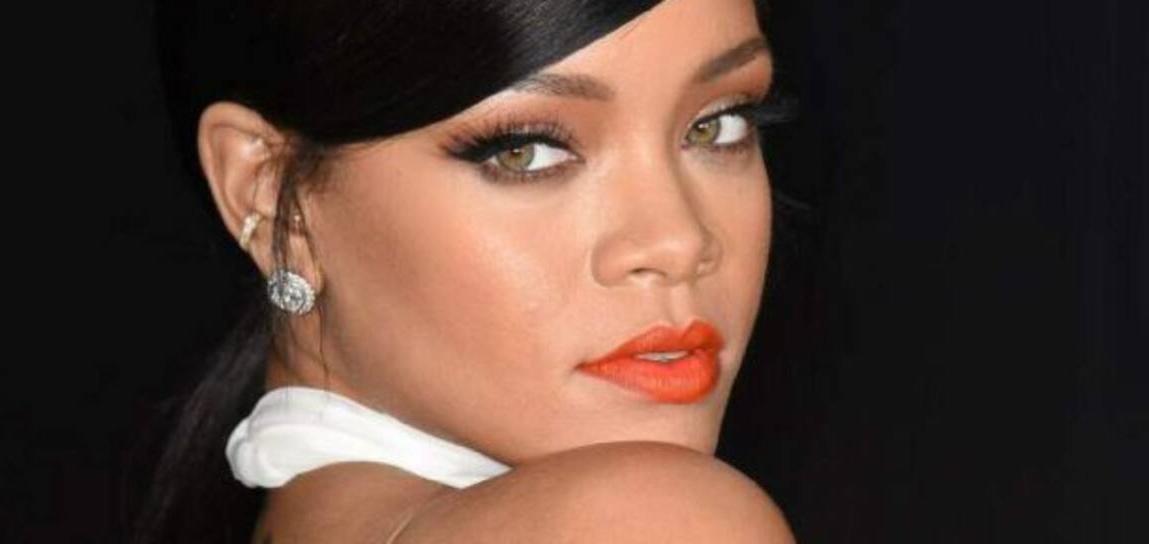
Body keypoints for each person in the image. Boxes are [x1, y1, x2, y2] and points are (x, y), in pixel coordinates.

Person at [140, 0, 796, 541]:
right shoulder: (653, 524)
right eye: (525, 152)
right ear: (266, 193)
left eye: (718, 126)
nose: (679, 241)